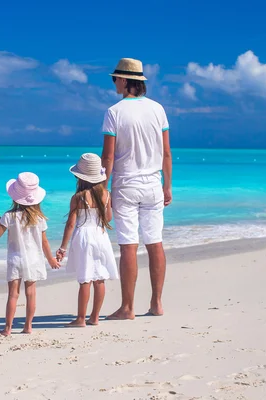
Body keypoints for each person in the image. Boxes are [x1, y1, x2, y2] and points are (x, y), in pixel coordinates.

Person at [100, 58, 173, 320]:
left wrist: (102, 190)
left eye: (115, 79)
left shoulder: (114, 112)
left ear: (124, 80)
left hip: (126, 185)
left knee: (128, 246)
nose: (114, 84)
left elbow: (108, 158)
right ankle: (157, 303)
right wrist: (167, 185)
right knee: (155, 243)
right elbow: (166, 152)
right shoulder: (158, 109)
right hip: (153, 184)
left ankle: (128, 307)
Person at [0, 172, 60, 336]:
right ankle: (28, 326)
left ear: (15, 197)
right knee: (31, 293)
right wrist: (50, 259)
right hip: (34, 259)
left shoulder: (9, 216)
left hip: (15, 259)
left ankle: (7, 328)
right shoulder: (39, 219)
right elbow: (44, 242)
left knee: (13, 294)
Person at [56, 153, 119, 327]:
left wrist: (62, 248)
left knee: (85, 278)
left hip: (84, 237)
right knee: (99, 278)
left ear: (80, 177)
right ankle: (95, 317)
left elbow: (70, 225)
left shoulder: (78, 197)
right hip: (100, 235)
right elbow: (108, 217)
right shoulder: (106, 194)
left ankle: (81, 319)